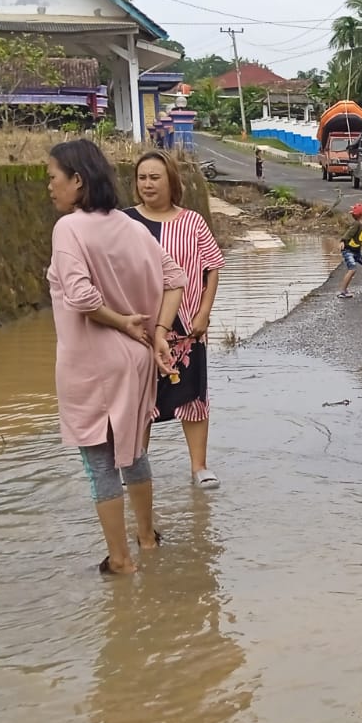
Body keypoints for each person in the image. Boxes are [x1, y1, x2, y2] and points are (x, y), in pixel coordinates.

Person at [47, 139, 186, 574]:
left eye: (52, 177)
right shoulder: (131, 226)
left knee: (99, 461)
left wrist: (121, 321)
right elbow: (175, 277)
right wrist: (157, 332)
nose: (49, 187)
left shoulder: (69, 228)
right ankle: (147, 538)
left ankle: (121, 560)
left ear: (77, 180)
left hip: (92, 361)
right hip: (137, 360)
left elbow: (82, 296)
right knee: (133, 452)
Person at [124, 149, 227, 490]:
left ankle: (199, 467)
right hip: (136, 330)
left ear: (171, 181)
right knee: (138, 400)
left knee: (194, 398)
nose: (148, 184)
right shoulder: (123, 222)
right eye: (142, 178)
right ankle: (136, 471)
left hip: (186, 329)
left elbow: (212, 267)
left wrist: (204, 312)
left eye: (155, 177)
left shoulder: (192, 222)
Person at [337, 202, 362, 298]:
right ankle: (342, 291)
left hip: (357, 251)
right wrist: (343, 241)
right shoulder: (356, 225)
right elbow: (348, 233)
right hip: (348, 251)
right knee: (352, 268)